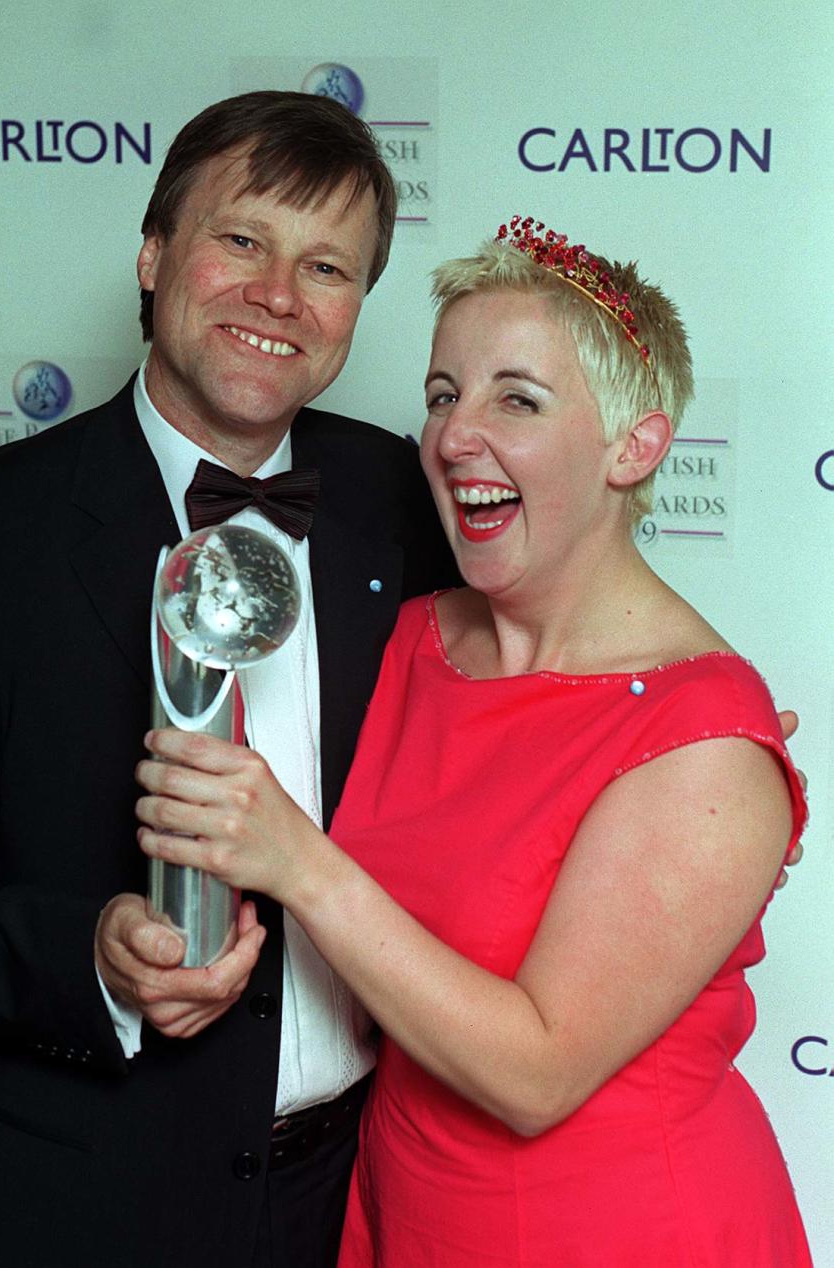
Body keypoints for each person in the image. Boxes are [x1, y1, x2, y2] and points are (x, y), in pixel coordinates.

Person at [133, 215, 813, 1265]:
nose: (455, 436)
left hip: (621, 1229)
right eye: (444, 395)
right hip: (406, 1206)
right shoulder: (411, 635)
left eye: (517, 399)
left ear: (637, 445)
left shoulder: (703, 739)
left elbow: (537, 1071)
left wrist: (295, 859)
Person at [0, 92, 455, 1268]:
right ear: (153, 255)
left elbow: (516, 691)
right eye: (242, 239)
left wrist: (669, 751)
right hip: (80, 1205)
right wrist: (85, 954)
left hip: (357, 1196)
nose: (280, 294)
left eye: (327, 265)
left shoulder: (399, 497)